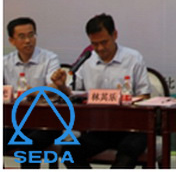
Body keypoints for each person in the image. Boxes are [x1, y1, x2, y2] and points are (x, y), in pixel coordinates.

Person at [53, 14, 151, 169]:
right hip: (100, 128)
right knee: (70, 152)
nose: (100, 48)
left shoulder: (133, 58)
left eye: (104, 42)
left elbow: (144, 96)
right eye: (94, 44)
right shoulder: (87, 60)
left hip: (131, 128)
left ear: (115, 35)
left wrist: (125, 101)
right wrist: (62, 87)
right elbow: (75, 95)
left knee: (127, 152)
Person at [3, 17, 62, 169]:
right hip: (15, 123)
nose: (28, 41)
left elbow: (55, 87)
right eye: (22, 37)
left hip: (47, 123)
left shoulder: (49, 58)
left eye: (31, 35)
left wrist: (33, 93)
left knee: (28, 145)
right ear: (11, 41)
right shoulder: (5, 62)